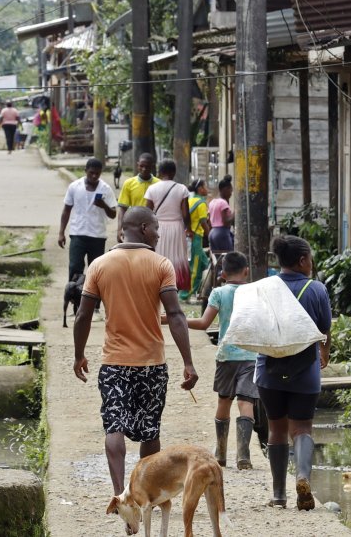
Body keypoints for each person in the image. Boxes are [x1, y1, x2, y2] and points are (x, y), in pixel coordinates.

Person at [72, 206, 198, 496]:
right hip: (152, 364)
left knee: (113, 426)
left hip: (114, 363)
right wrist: (188, 362)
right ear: (143, 228)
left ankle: (120, 496)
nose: (158, 233)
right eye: (156, 228)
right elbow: (176, 315)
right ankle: (143, 492)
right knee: (150, 430)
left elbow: (82, 316)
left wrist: (79, 355)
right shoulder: (161, 265)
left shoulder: (100, 265)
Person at [256, 235, 332, 510]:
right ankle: (302, 477)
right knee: (301, 428)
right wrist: (324, 353)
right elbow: (324, 330)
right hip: (305, 370)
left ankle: (278, 495)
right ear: (302, 261)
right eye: (310, 258)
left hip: (269, 369)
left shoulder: (264, 288)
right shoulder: (317, 289)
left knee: (276, 429)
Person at [183, 251, 258, 470]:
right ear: (247, 271)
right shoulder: (254, 292)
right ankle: (244, 453)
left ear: (222, 273)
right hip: (251, 355)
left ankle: (221, 452)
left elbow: (204, 323)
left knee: (224, 401)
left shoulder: (218, 293)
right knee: (246, 402)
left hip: (226, 356)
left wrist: (176, 319)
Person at [59, 158, 116, 283]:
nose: (94, 176)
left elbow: (113, 214)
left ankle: (93, 301)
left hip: (97, 236)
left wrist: (103, 205)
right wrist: (61, 232)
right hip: (77, 234)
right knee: (74, 267)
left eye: (97, 173)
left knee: (96, 271)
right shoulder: (75, 186)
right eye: (91, 173)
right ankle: (75, 298)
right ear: (85, 171)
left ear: (101, 172)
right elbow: (66, 210)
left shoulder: (105, 189)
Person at [144, 159, 191, 291]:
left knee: (158, 256)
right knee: (175, 257)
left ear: (159, 172)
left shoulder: (152, 188)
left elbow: (147, 212)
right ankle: (173, 286)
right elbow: (185, 214)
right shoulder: (182, 189)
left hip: (157, 228)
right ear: (174, 172)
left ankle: (156, 283)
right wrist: (189, 229)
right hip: (176, 227)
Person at [115, 153, 158, 241]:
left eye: (147, 166)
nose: (144, 169)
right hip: (133, 226)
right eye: (141, 166)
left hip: (153, 226)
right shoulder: (129, 183)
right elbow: (123, 208)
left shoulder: (159, 184)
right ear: (137, 165)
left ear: (152, 166)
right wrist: (120, 229)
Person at [185, 178, 211, 302]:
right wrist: (210, 236)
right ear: (200, 189)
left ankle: (200, 291)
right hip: (196, 237)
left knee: (204, 264)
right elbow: (203, 222)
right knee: (194, 268)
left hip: (189, 237)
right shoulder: (201, 203)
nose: (207, 189)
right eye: (205, 186)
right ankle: (186, 295)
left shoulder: (190, 200)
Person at [207, 176, 235, 254]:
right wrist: (235, 214)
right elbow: (225, 222)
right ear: (225, 189)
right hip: (222, 233)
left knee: (217, 260)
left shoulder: (212, 202)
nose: (231, 193)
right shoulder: (223, 203)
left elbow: (209, 222)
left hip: (212, 233)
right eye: (230, 190)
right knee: (228, 258)